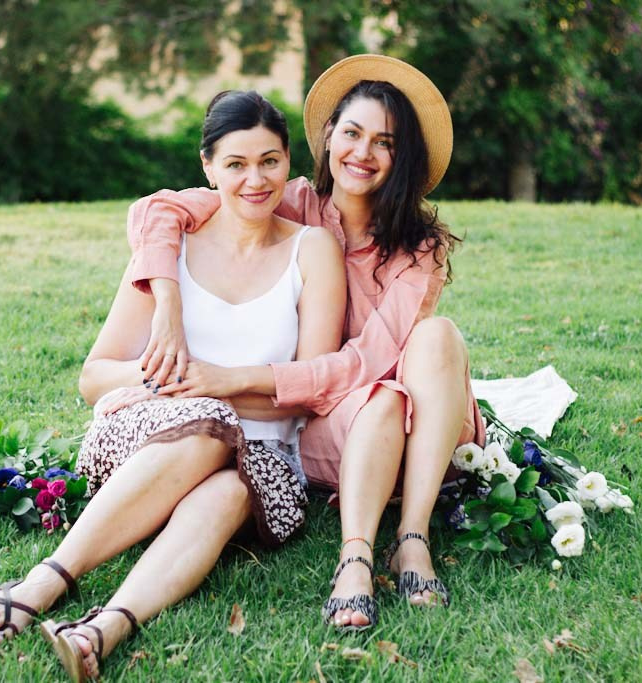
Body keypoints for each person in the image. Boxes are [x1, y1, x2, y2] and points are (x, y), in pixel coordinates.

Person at [0, 90, 345, 681]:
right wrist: (170, 384)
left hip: (265, 457)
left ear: (288, 160)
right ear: (207, 166)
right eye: (236, 164)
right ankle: (50, 578)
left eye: (269, 161)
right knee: (207, 431)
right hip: (148, 435)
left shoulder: (312, 250)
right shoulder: (170, 251)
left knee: (225, 490)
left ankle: (105, 626)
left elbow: (311, 386)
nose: (255, 179)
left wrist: (216, 386)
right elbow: (96, 375)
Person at [125, 55, 486, 631]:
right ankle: (356, 556)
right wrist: (166, 303)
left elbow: (368, 362)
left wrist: (237, 378)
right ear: (327, 137)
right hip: (329, 429)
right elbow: (159, 209)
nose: (363, 153)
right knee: (379, 399)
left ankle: (412, 536)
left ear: (404, 156)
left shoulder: (421, 249)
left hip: (409, 428)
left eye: (384, 142)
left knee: (434, 338)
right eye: (352, 133)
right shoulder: (286, 199)